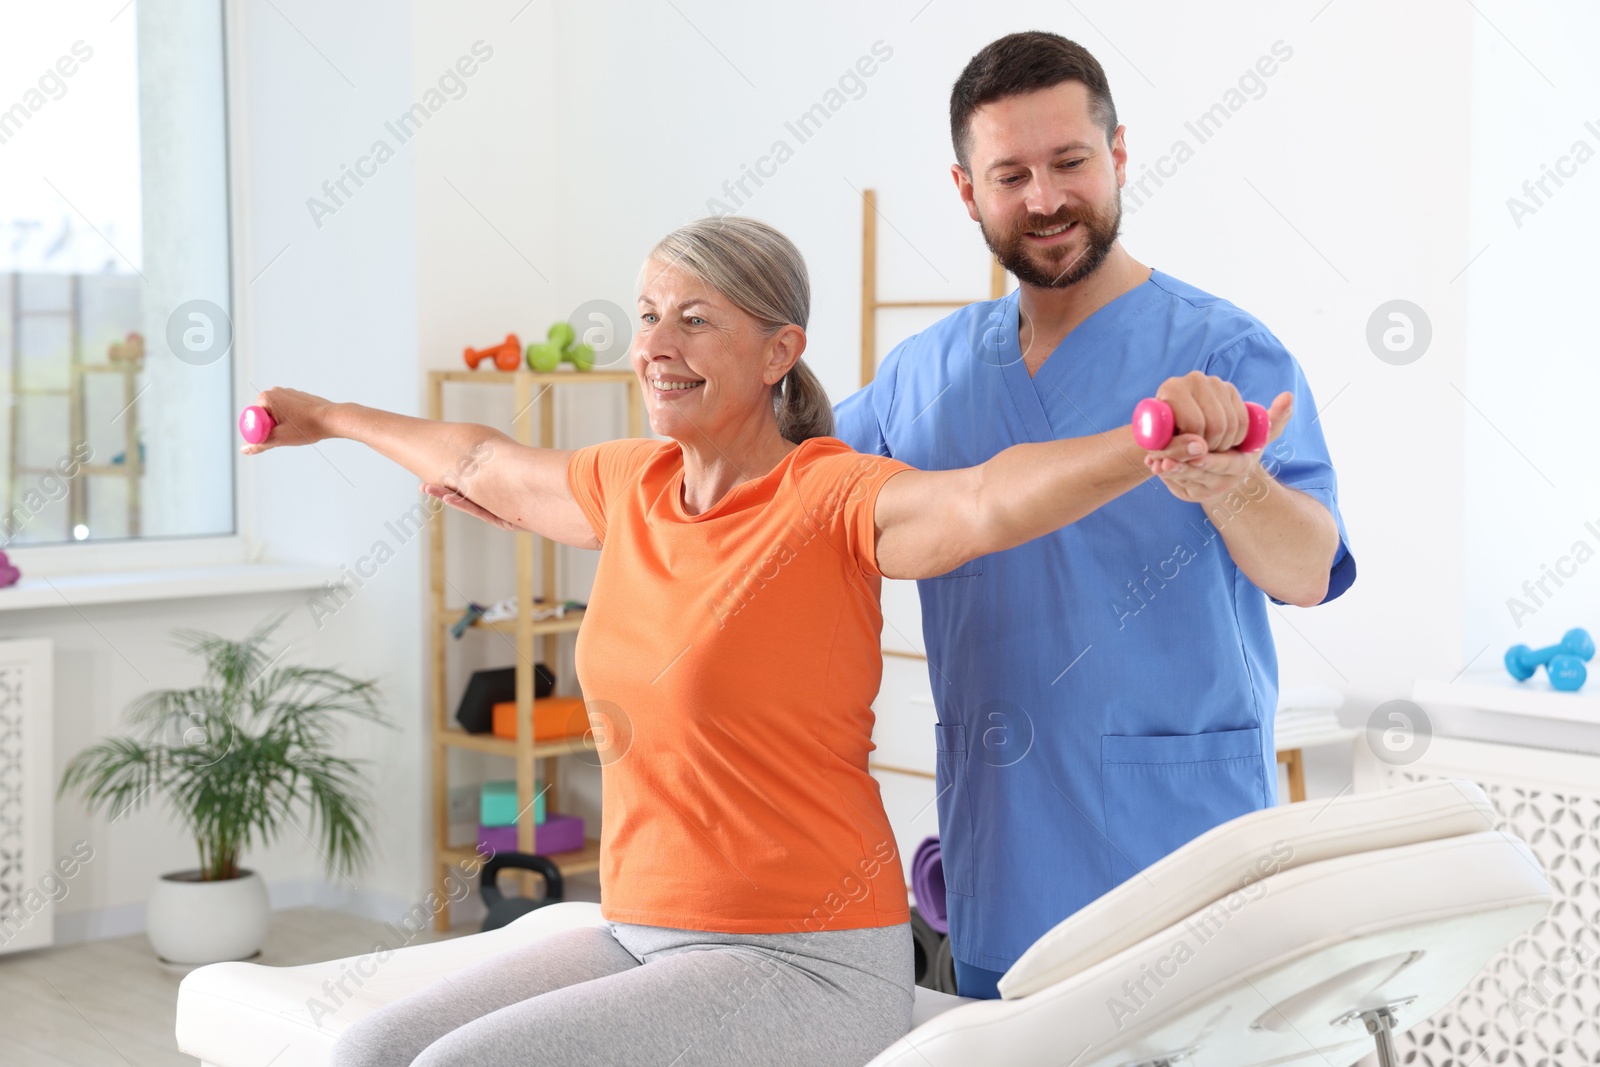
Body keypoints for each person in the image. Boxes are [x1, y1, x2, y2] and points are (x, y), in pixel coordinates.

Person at [244, 216, 1277, 1065]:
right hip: (637, 925)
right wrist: (332, 415)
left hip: (806, 954)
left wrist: (1142, 442)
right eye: (649, 315)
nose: (656, 344)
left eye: (697, 319)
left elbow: (984, 499)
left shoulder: (827, 497)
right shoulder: (630, 488)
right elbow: (477, 457)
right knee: (369, 1049)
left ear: (779, 351)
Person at [831, 31, 1356, 1000]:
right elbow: (794, 495)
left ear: (1116, 155)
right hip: (1006, 857)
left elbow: (1308, 568)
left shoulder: (1223, 351)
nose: (1044, 198)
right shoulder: (926, 373)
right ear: (965, 190)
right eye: (1010, 173)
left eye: (1069, 162)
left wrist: (1236, 486)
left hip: (1180, 853)